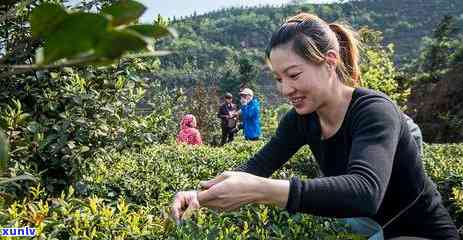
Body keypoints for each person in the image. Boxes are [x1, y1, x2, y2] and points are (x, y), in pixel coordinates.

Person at [171, 13, 459, 240]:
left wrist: (262, 190)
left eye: (294, 74)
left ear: (329, 62)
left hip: (418, 230)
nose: (285, 89)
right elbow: (255, 169)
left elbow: (365, 191)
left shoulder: (374, 110)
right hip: (373, 227)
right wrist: (198, 195)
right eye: (279, 79)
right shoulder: (300, 120)